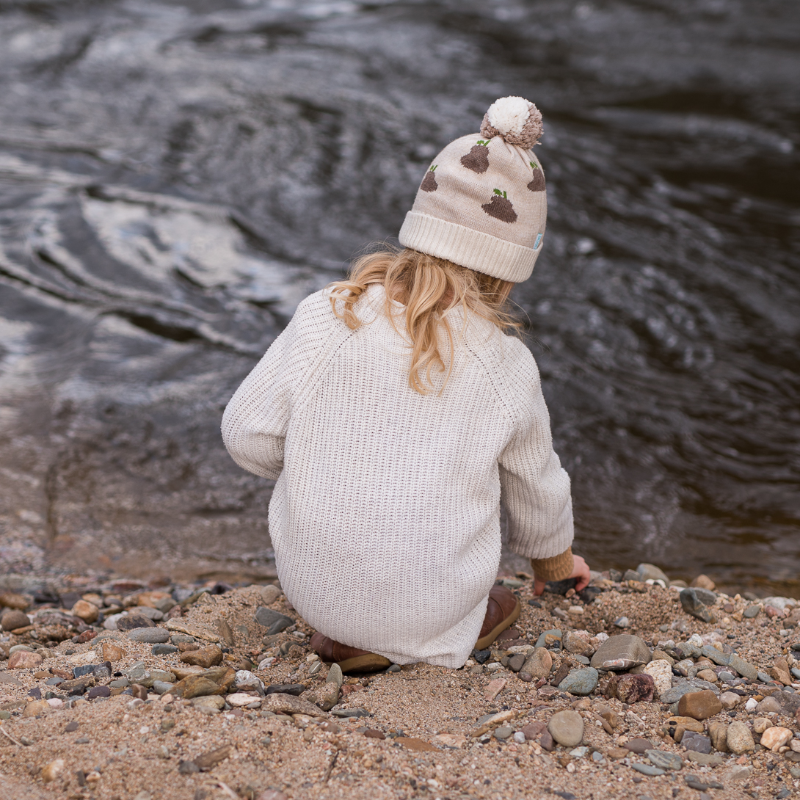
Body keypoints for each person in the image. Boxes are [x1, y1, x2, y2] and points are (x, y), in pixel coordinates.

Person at [222, 96, 590, 674]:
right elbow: (535, 489)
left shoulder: (329, 315)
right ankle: (421, 640)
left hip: (314, 589)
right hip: (430, 607)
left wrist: (319, 463)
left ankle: (348, 631)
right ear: (510, 268)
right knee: (498, 590)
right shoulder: (505, 364)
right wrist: (557, 567)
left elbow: (246, 434)